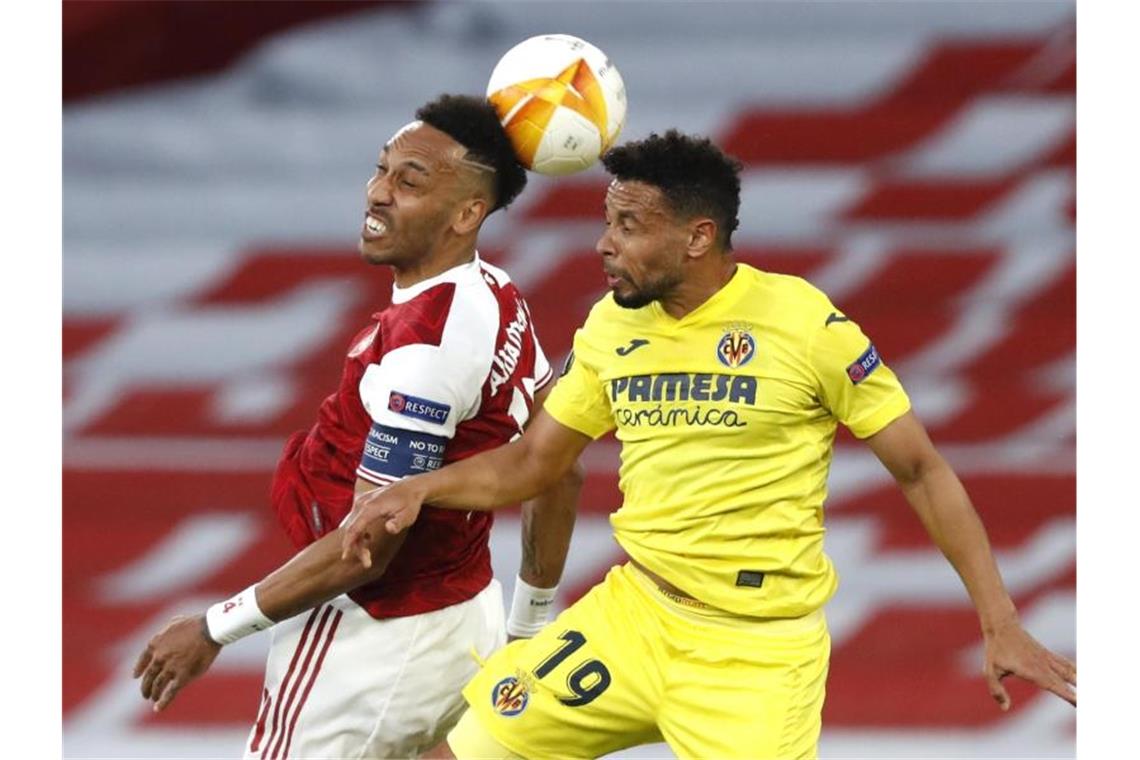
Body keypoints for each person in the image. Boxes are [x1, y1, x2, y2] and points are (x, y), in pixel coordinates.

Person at [341, 130, 1078, 760]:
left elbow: (920, 469)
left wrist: (999, 621)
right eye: (608, 220)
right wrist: (420, 487)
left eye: (629, 225)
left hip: (756, 653)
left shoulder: (803, 324)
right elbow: (537, 461)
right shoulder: (611, 327)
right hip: (637, 613)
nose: (604, 243)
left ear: (697, 237)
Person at [132, 94, 582, 759]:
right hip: (464, 613)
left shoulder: (422, 354)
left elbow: (367, 548)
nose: (376, 194)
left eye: (409, 181)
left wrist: (213, 626)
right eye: (381, 169)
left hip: (372, 635)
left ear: (467, 213)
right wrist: (527, 621)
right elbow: (558, 465)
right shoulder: (496, 294)